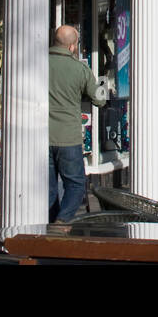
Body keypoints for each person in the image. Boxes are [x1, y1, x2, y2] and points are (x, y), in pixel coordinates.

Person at [49, 25, 107, 223]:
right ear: (72, 47)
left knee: (48, 189)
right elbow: (99, 99)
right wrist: (102, 84)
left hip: (41, 136)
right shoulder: (79, 69)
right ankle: (62, 221)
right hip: (68, 137)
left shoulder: (39, 64)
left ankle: (49, 227)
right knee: (75, 184)